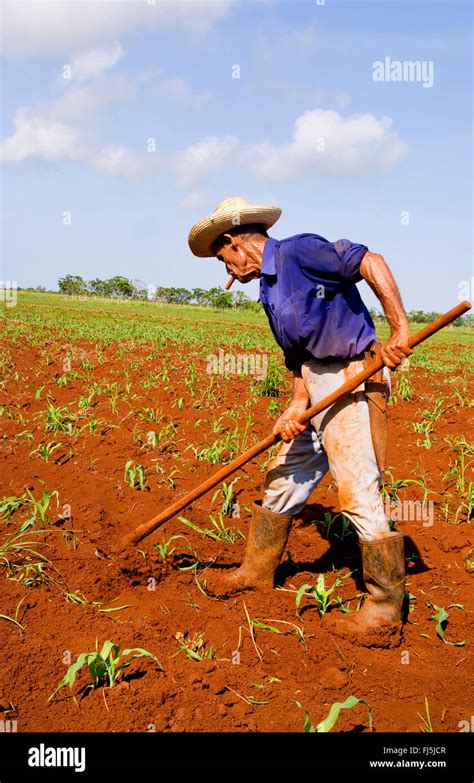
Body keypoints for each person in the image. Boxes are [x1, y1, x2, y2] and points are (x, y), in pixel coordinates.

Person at [187, 196, 413, 645]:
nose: (226, 271)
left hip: (351, 375)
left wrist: (400, 329)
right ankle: (255, 571)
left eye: (222, 259)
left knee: (357, 490)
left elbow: (371, 260)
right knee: (283, 477)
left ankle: (385, 609)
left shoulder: (298, 251)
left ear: (234, 243)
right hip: (314, 384)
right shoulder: (269, 288)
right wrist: (296, 402)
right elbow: (298, 355)